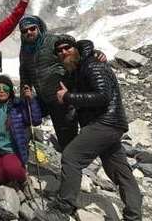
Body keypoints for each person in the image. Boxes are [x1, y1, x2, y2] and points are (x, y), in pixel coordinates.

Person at [34, 36, 142, 221]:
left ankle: (62, 209)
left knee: (71, 157)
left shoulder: (92, 64)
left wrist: (68, 97)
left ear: (75, 48)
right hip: (108, 124)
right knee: (119, 171)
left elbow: (102, 96)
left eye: (66, 48)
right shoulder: (79, 68)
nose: (63, 52)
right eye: (59, 51)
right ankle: (134, 216)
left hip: (104, 122)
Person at [18, 16, 106, 151]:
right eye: (25, 31)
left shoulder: (52, 41)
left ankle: (73, 165)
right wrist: (25, 87)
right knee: (20, 116)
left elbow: (74, 52)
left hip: (62, 99)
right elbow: (24, 71)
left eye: (32, 28)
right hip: (43, 98)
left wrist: (95, 53)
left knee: (67, 139)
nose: (29, 32)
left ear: (39, 28)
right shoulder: (25, 49)